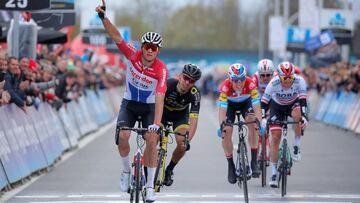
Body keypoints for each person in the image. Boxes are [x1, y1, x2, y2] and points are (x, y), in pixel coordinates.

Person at [96, 4, 168, 202]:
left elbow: (160, 96)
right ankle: (126, 171)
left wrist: (157, 123)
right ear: (142, 47)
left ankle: (149, 186)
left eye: (154, 48)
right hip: (129, 103)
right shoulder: (132, 55)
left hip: (149, 107)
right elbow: (116, 36)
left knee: (152, 140)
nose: (150, 51)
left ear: (158, 51)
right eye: (147, 47)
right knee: (124, 135)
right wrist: (103, 18)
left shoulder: (161, 70)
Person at [260, 61, 308, 188]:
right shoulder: (273, 83)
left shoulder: (300, 81)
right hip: (277, 107)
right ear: (279, 76)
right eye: (284, 78)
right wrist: (264, 118)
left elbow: (303, 101)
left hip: (293, 104)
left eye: (290, 77)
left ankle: (297, 144)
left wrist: (305, 117)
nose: (287, 81)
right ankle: (274, 173)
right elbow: (264, 103)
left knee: (298, 116)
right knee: (275, 138)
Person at [218, 63, 262, 184]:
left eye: (242, 79)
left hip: (245, 103)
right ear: (230, 79)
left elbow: (257, 105)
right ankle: (231, 166)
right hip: (230, 106)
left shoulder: (250, 83)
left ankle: (254, 161)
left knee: (253, 124)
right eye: (235, 80)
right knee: (226, 131)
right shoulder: (225, 87)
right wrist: (221, 125)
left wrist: (259, 123)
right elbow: (222, 109)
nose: (239, 83)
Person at [161, 64, 202, 186]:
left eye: (191, 81)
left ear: (194, 83)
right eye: (185, 78)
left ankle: (169, 169)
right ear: (180, 76)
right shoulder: (168, 84)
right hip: (163, 113)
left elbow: (194, 120)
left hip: (180, 116)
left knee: (182, 143)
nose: (187, 82)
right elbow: (154, 105)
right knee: (153, 137)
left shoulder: (195, 94)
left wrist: (188, 140)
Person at [252, 59, 275, 163]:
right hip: (259, 100)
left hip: (273, 100)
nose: (265, 78)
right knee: (259, 123)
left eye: (268, 75)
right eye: (263, 75)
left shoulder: (277, 77)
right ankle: (261, 148)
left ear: (273, 73)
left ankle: (271, 146)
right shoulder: (255, 77)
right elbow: (250, 93)